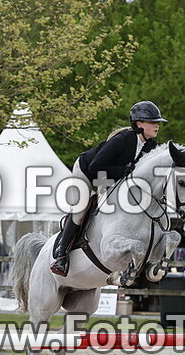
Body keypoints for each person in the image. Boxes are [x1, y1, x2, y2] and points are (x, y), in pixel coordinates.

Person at [50, 100, 167, 277]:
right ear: (139, 124)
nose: (157, 125)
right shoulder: (122, 140)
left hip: (111, 175)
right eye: (153, 122)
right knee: (81, 209)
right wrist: (123, 171)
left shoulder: (150, 145)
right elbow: (95, 167)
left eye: (157, 122)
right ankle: (61, 253)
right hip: (87, 171)